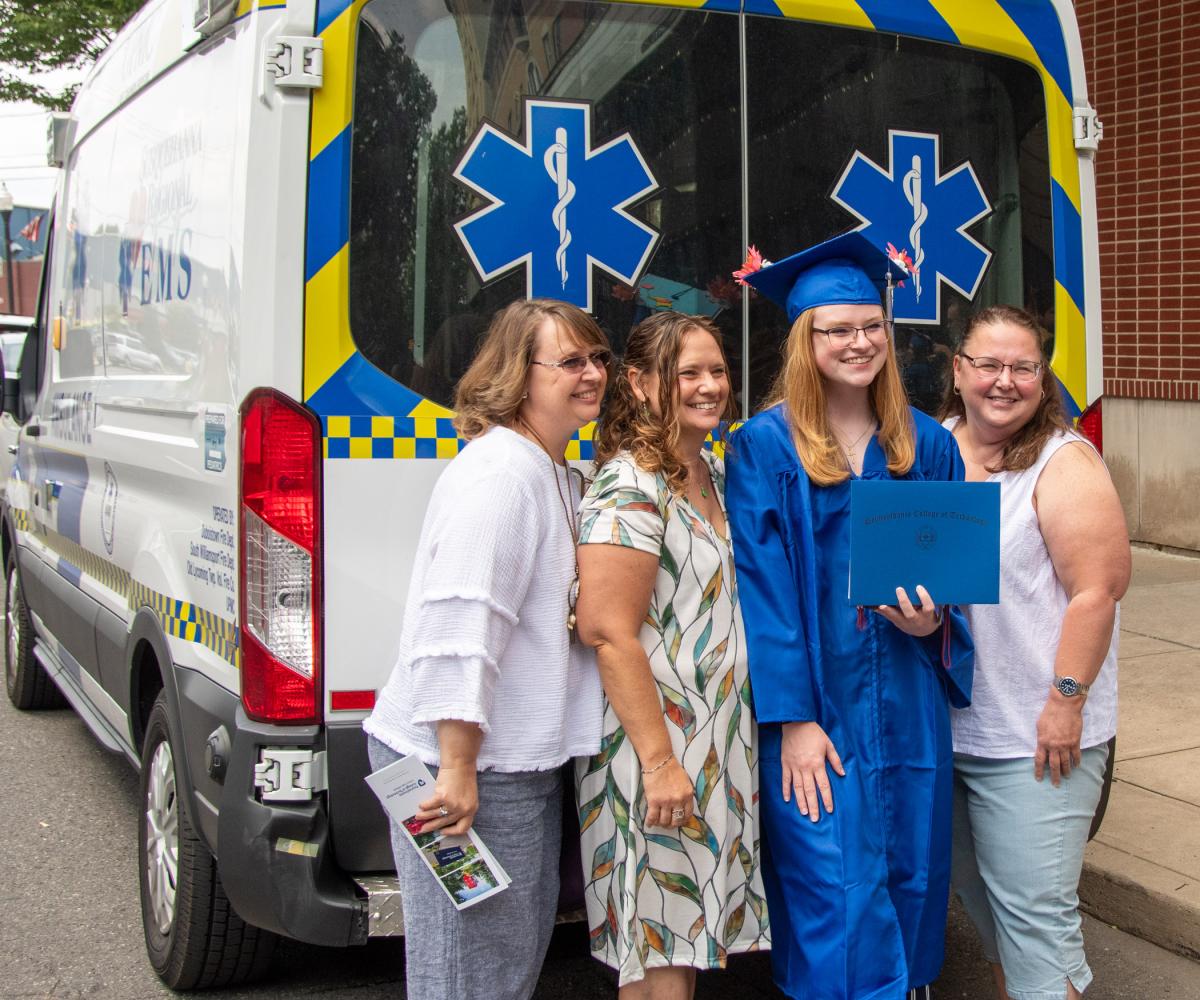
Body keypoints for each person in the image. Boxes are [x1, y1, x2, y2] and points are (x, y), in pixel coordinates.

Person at [726, 232, 974, 1000]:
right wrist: (794, 721)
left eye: (872, 326)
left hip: (907, 702)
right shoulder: (763, 448)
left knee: (910, 873)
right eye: (837, 329)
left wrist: (932, 625)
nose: (860, 342)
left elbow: (953, 589)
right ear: (805, 339)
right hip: (819, 712)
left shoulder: (925, 444)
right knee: (831, 892)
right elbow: (760, 592)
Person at [363, 298, 612, 1000]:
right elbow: (459, 629)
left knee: (505, 957)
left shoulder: (551, 470)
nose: (591, 373)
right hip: (458, 770)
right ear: (518, 374)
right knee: (469, 971)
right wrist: (459, 768)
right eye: (570, 361)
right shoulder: (502, 478)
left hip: (506, 764)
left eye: (597, 357)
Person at [575, 312, 770, 997]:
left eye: (717, 371)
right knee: (658, 950)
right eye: (688, 373)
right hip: (656, 750)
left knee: (687, 939)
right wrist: (659, 764)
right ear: (641, 383)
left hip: (713, 747)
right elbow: (607, 631)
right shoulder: (631, 484)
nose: (710, 386)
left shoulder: (711, 471)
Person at [939, 305, 1129, 1000]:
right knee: (992, 916)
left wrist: (1065, 703)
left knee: (1033, 924)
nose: (1003, 381)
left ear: (1041, 377)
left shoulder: (1063, 460)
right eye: (987, 364)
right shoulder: (930, 449)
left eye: (1021, 367)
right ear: (958, 370)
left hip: (1034, 737)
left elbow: (1097, 593)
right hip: (950, 729)